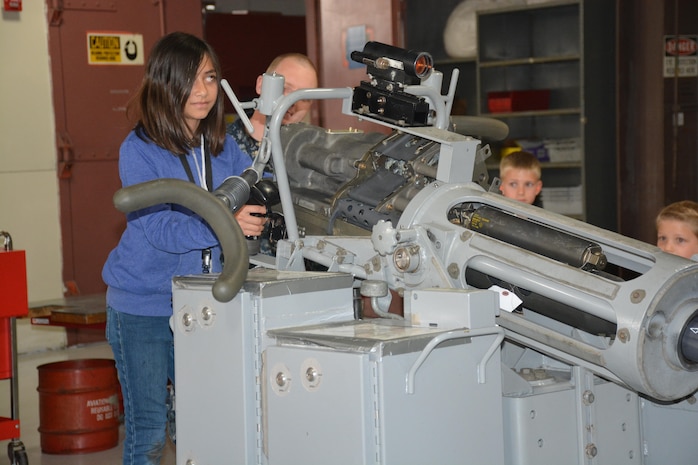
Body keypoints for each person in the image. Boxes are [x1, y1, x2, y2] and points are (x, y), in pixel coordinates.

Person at [102, 32, 266, 465]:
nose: (203, 91)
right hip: (144, 307)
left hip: (202, 301)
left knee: (201, 421)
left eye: (210, 78)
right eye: (190, 80)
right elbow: (160, 228)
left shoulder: (221, 145)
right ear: (163, 82)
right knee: (151, 432)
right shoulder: (138, 150)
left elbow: (241, 196)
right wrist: (223, 225)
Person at [226, 52, 319, 164]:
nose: (293, 101)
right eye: (285, 88)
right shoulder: (223, 145)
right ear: (261, 85)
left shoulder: (312, 154)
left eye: (304, 97)